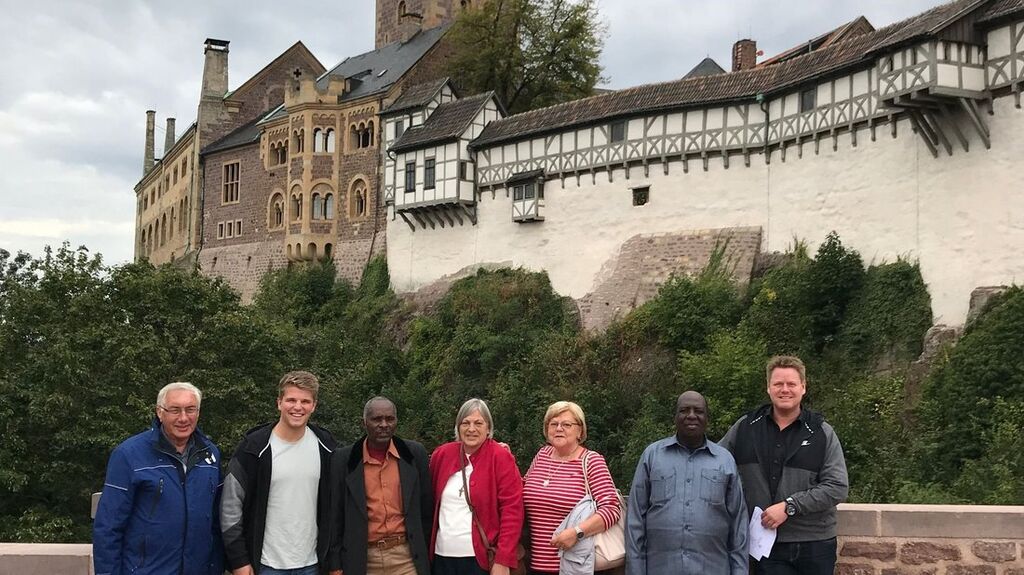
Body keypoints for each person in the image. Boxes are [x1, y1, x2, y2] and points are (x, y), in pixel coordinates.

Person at [719, 356, 849, 575]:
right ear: (768, 388)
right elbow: (715, 468)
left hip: (815, 544)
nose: (785, 389)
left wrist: (790, 506)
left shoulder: (822, 432)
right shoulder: (745, 428)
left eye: (791, 384)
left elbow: (837, 487)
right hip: (765, 545)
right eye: (778, 384)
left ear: (803, 387)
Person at [93, 382, 223, 575]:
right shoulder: (129, 455)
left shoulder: (210, 454)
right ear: (160, 412)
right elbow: (108, 526)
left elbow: (216, 522)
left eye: (190, 409)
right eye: (174, 410)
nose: (183, 418)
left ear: (198, 412)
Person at [221, 371, 337, 575]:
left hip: (312, 564)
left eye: (305, 401)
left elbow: (337, 509)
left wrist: (334, 561)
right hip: (265, 564)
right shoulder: (253, 448)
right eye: (291, 400)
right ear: (279, 402)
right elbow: (230, 508)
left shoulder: (326, 447)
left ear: (314, 405)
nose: (298, 407)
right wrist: (239, 560)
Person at [625, 391, 748, 575]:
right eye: (684, 410)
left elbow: (739, 524)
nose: (691, 415)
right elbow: (635, 519)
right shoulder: (652, 456)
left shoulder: (724, 461)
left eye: (698, 410)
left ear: (707, 418)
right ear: (675, 416)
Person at [328, 396, 433, 575]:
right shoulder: (344, 460)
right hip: (363, 559)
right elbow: (334, 515)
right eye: (377, 419)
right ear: (364, 422)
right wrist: (334, 564)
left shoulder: (414, 454)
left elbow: (426, 509)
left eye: (390, 419)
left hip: (406, 557)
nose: (384, 424)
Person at [522, 401, 622, 575]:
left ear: (580, 431)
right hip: (536, 565)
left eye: (567, 424)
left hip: (574, 566)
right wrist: (504, 459)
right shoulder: (542, 455)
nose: (559, 428)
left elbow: (611, 509)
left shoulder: (591, 461)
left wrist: (577, 532)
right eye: (553, 424)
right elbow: (521, 488)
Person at [429, 398, 524, 575]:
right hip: (442, 556)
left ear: (488, 428)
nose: (471, 429)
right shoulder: (442, 455)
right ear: (458, 427)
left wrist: (503, 558)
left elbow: (512, 511)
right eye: (465, 423)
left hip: (480, 559)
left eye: (478, 423)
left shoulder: (500, 457)